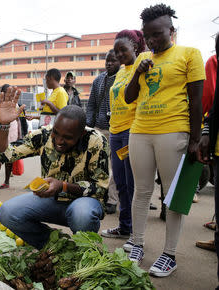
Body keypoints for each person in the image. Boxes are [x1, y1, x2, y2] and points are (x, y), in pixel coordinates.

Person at [124, 4, 205, 277]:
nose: (153, 40)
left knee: (173, 195)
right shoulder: (142, 58)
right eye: (148, 36)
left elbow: (196, 100)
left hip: (174, 131)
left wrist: (195, 140)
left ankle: (169, 254)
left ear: (172, 31)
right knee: (142, 190)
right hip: (141, 131)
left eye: (158, 34)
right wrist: (138, 71)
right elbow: (128, 97)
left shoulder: (190, 54)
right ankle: (136, 244)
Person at [0, 87, 109, 249]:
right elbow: (2, 155)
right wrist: (3, 125)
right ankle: (56, 246)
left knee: (82, 215)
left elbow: (100, 189)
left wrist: (62, 186)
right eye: (57, 133)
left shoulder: (96, 141)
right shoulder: (45, 134)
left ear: (81, 134)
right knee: (6, 212)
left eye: (67, 138)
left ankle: (87, 248)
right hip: (51, 201)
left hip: (83, 202)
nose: (59, 141)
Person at [100, 30, 146, 250]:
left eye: (123, 50)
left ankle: (136, 234)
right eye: (116, 51)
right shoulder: (119, 73)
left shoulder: (142, 67)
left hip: (131, 131)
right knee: (119, 182)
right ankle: (124, 226)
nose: (118, 55)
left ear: (135, 48)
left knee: (132, 184)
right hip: (115, 132)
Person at [86, 50, 121, 214]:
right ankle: (99, 195)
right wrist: (89, 127)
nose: (109, 64)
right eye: (107, 61)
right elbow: (91, 105)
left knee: (117, 166)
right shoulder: (98, 80)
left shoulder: (124, 78)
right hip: (100, 128)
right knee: (99, 165)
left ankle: (113, 200)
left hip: (119, 128)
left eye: (113, 61)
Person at [197, 32, 219, 287]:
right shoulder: (212, 62)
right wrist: (205, 133)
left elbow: (209, 97)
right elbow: (212, 100)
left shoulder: (212, 62)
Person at [0, 84, 19, 192]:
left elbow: (18, 118)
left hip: (12, 130)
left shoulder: (14, 102)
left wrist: (19, 133)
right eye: (8, 91)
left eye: (12, 92)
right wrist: (1, 112)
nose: (10, 93)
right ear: (2, 92)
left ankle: (7, 182)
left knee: (9, 156)